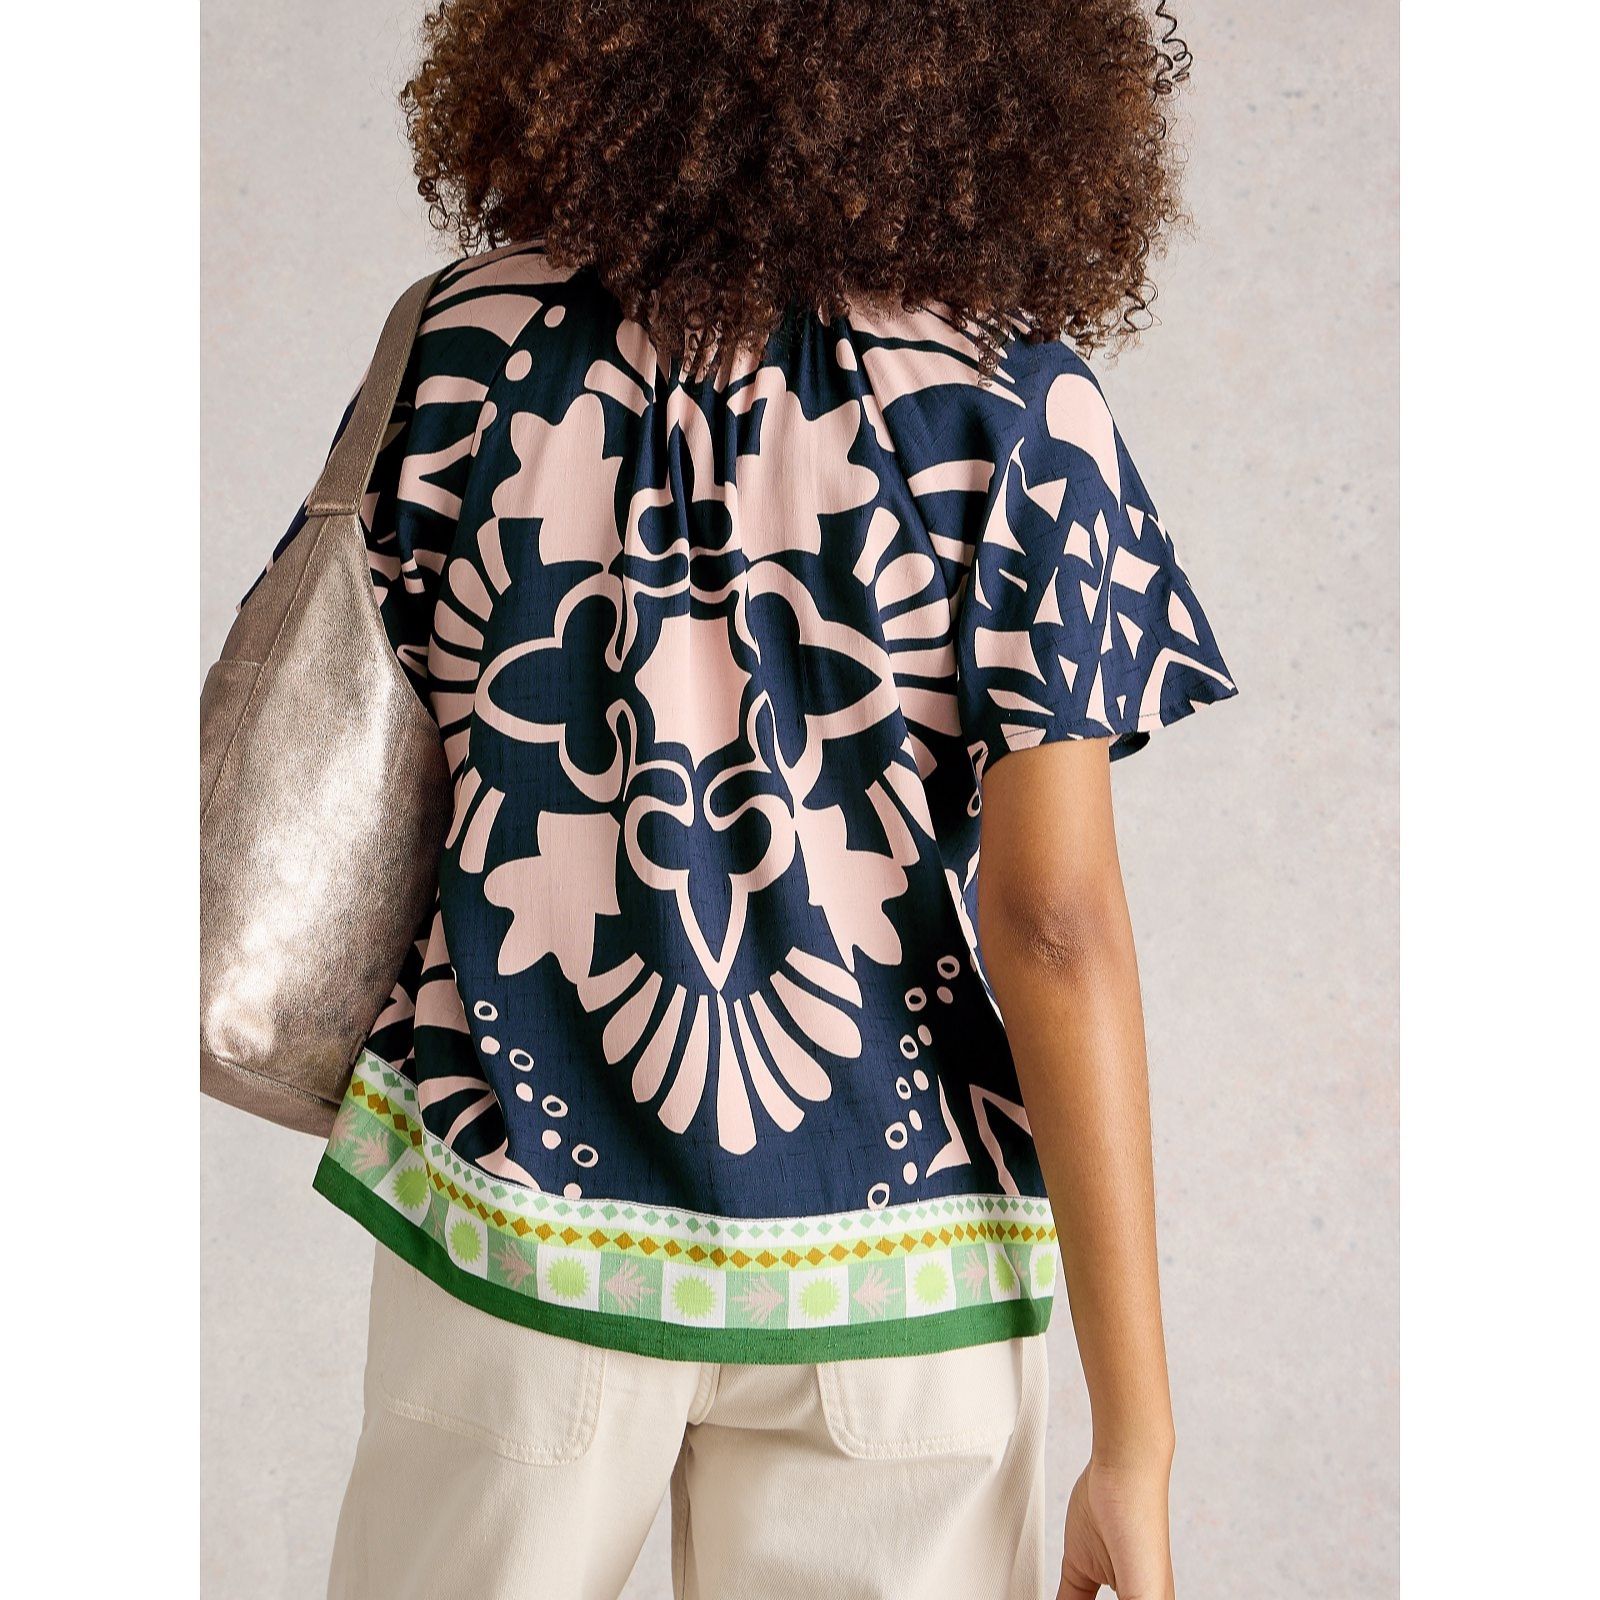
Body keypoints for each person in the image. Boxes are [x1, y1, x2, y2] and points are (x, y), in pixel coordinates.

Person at [260, 2, 1234, 1595]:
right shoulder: (1017, 409)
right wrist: (1137, 1441)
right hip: (897, 1269)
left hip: (518, 1228)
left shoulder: (463, 342)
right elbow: (1056, 929)